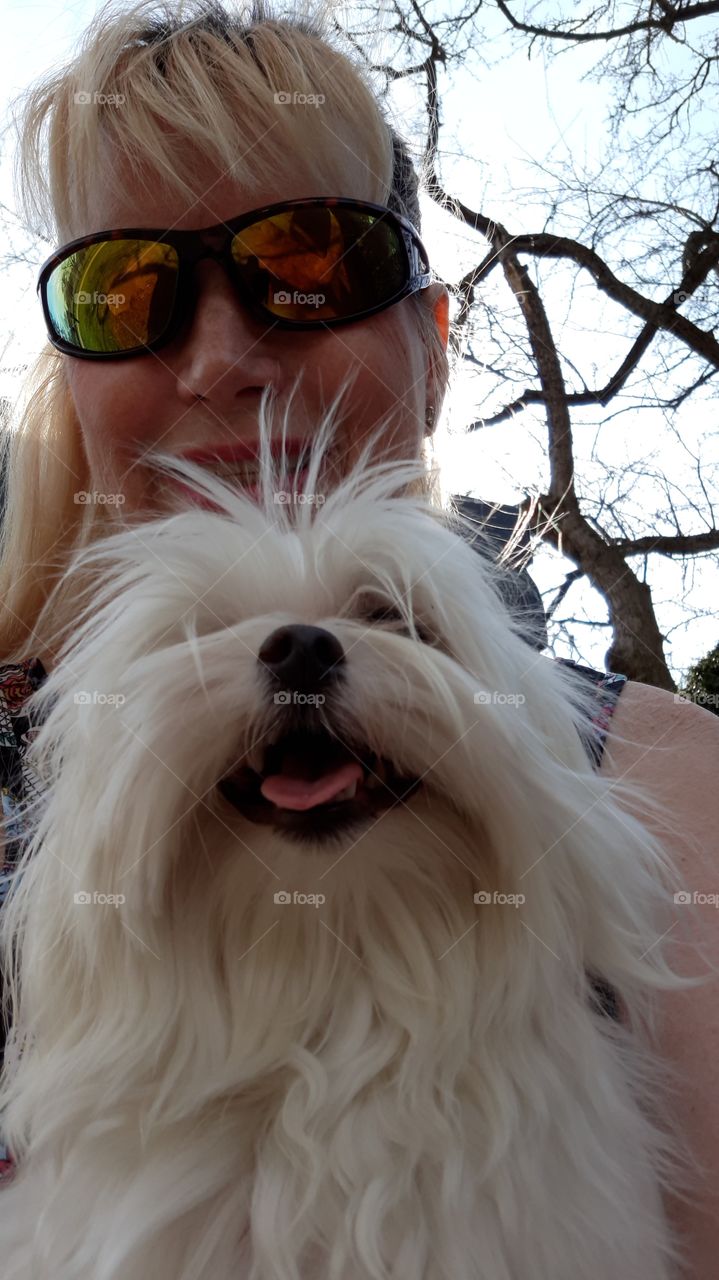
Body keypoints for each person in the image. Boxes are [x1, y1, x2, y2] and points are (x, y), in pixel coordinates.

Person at [0, 0, 717, 1266]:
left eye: (311, 258)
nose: (221, 357)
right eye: (126, 291)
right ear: (74, 373)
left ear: (430, 347)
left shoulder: (666, 782)